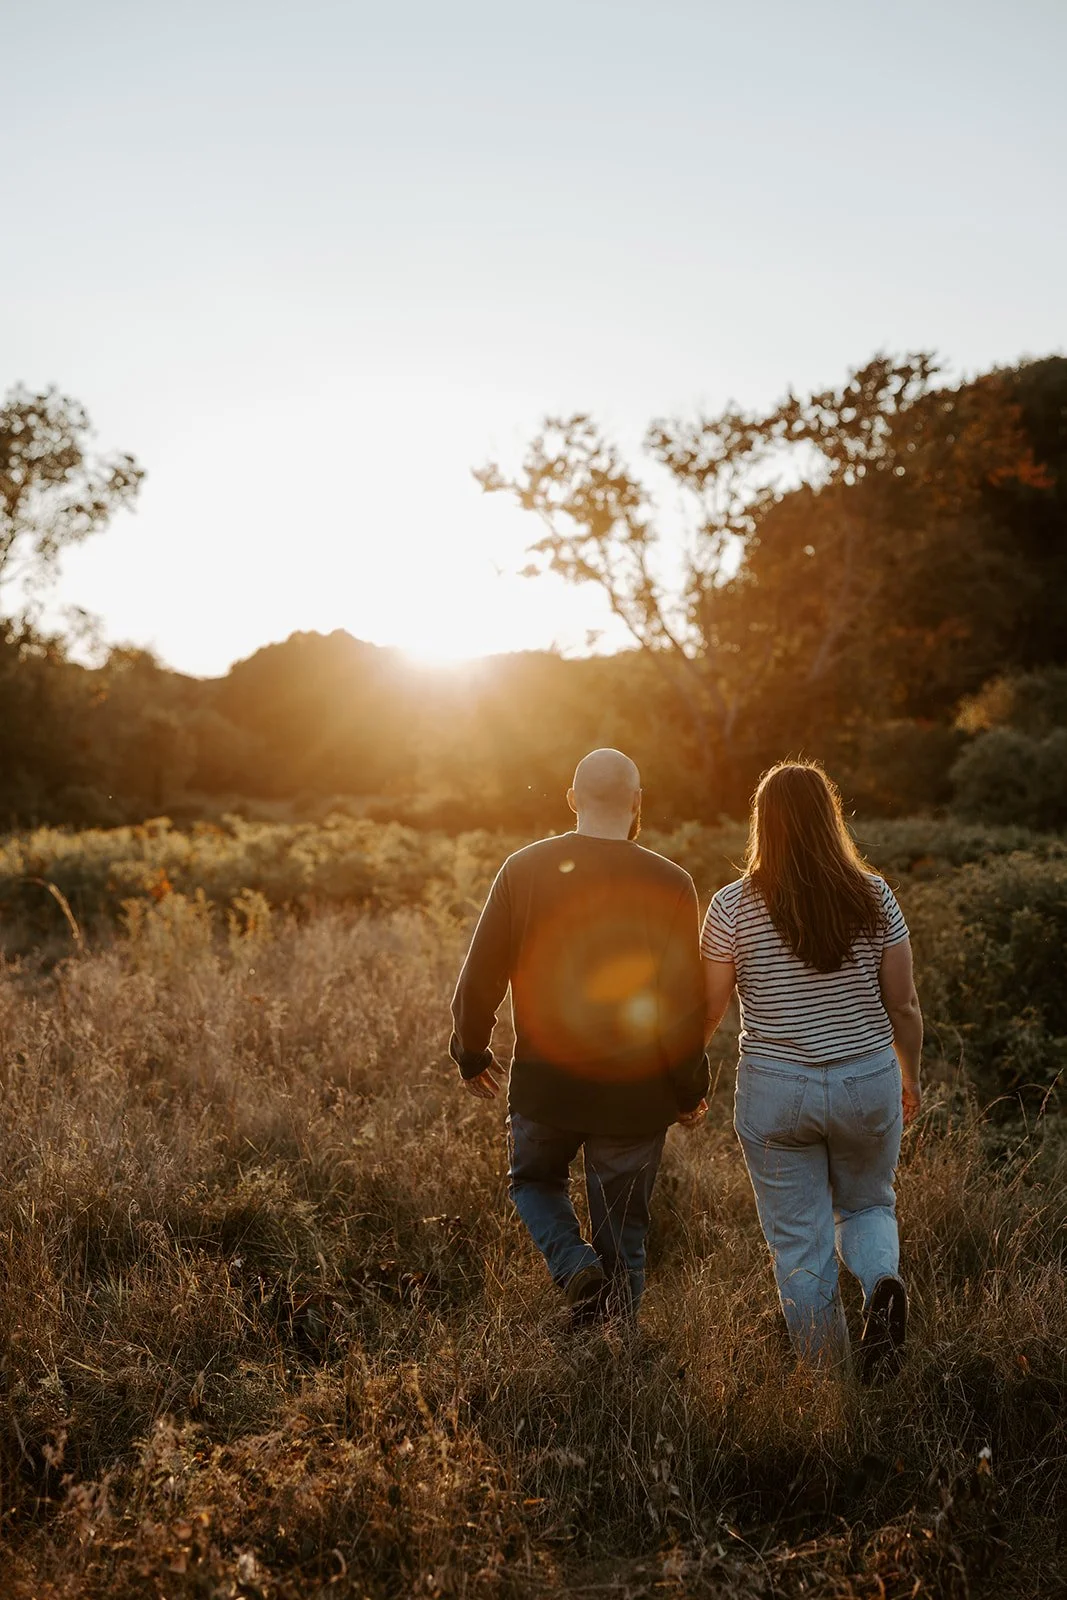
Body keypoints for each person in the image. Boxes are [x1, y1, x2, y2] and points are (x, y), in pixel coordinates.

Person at [450, 748, 710, 1325]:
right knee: (625, 1233)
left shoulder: (523, 868)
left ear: (572, 799)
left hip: (548, 1085)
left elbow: (482, 971)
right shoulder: (672, 882)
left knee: (535, 1182)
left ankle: (572, 1264)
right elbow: (680, 1005)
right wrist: (689, 1088)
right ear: (638, 802)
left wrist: (471, 1050)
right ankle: (617, 1359)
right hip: (636, 1097)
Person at [701, 760, 923, 1377]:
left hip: (777, 1088)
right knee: (868, 1206)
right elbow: (902, 1004)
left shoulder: (730, 906)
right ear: (830, 819)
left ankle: (833, 1390)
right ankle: (881, 1281)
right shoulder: (874, 896)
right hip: (866, 1078)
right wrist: (911, 1076)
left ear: (761, 825)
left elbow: (709, 1012)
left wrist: (686, 1078)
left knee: (800, 1243)